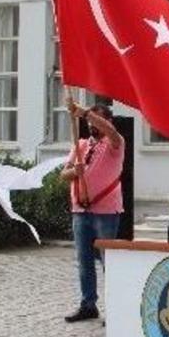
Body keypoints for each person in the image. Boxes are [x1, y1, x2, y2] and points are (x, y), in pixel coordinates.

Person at [60, 101, 124, 323]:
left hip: (106, 211)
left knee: (109, 261)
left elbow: (111, 132)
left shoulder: (114, 145)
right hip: (81, 210)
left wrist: (85, 112)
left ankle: (115, 307)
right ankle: (88, 304)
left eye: (97, 120)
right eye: (89, 121)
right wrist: (73, 172)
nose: (91, 124)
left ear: (107, 121)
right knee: (84, 260)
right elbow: (63, 175)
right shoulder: (81, 145)